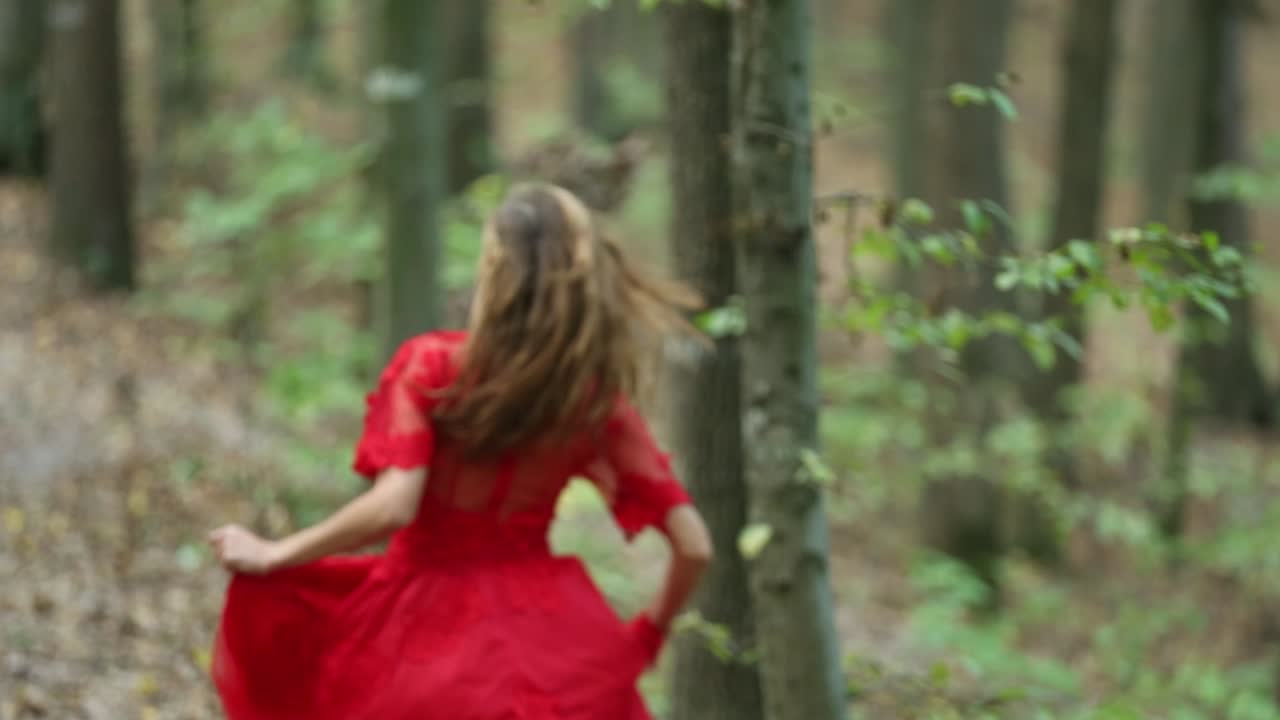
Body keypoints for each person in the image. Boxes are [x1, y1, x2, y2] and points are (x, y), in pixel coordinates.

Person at [207, 183, 714, 719]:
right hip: (558, 648)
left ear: (495, 269)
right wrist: (649, 633)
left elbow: (394, 506)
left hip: (422, 642)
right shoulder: (589, 402)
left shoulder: (433, 369)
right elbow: (695, 546)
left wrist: (277, 553)